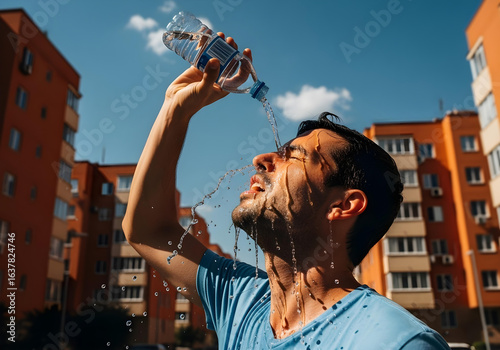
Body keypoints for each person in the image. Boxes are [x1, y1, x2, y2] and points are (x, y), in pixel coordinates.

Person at [123, 34, 450, 349]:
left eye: (293, 156)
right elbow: (147, 229)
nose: (260, 159)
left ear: (343, 205)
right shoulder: (242, 301)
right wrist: (175, 109)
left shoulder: (390, 341)